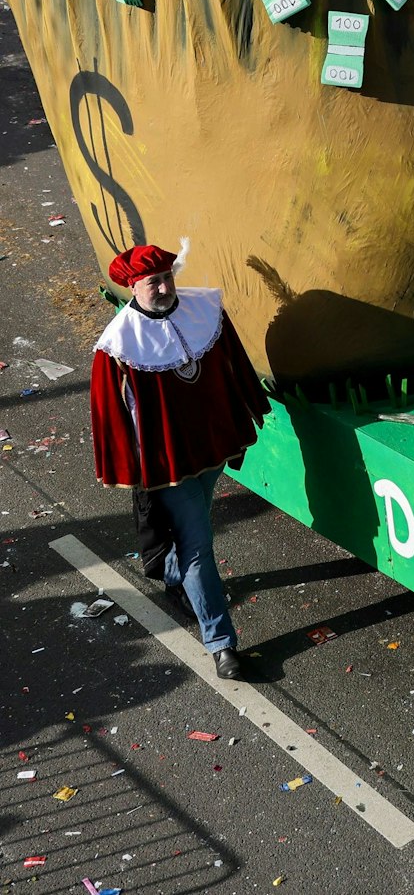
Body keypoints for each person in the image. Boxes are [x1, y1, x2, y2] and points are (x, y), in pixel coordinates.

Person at [90, 243, 269, 680]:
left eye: (168, 276)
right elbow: (109, 416)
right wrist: (131, 472)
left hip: (214, 445)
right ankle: (221, 643)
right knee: (198, 544)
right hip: (168, 466)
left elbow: (236, 360)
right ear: (133, 286)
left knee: (196, 528)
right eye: (154, 282)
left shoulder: (203, 309)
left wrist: (252, 402)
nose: (166, 287)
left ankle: (170, 572)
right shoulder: (117, 345)